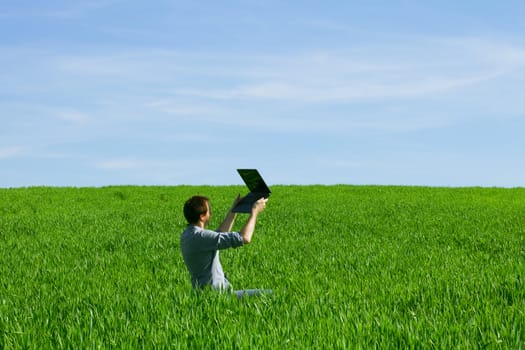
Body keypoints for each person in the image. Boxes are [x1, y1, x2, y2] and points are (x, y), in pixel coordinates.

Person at [180, 194, 270, 297]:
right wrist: (254, 212)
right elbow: (245, 238)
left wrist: (234, 209)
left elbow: (220, 234)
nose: (211, 213)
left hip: (208, 295)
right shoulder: (201, 236)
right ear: (202, 216)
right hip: (218, 296)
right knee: (270, 295)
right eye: (209, 211)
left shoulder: (188, 235)